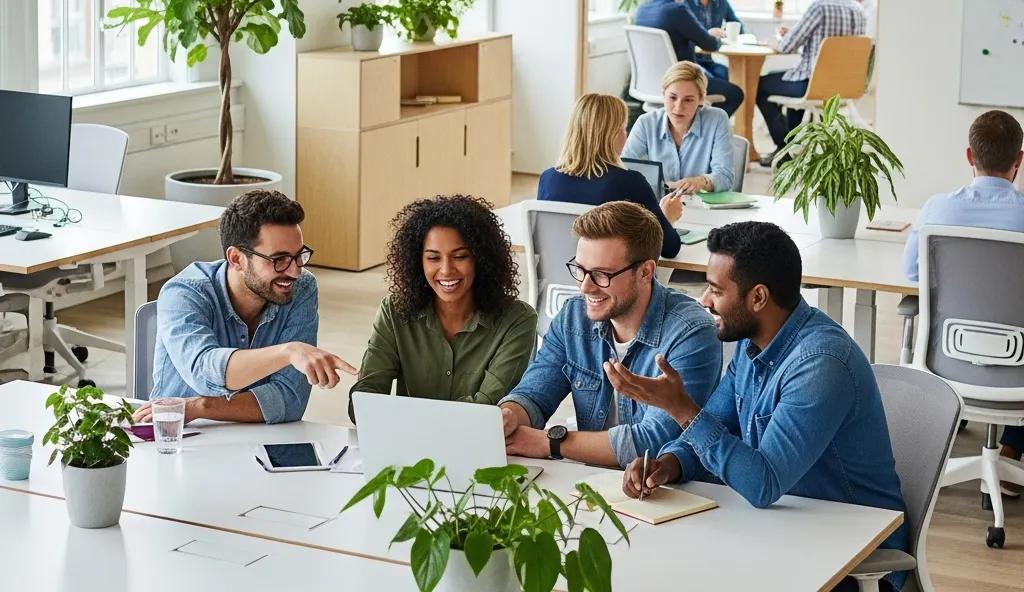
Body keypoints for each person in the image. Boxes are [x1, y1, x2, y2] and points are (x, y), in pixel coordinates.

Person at [609, 221, 908, 591]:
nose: (704, 300)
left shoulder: (821, 364)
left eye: (716, 290)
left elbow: (763, 483)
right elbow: (716, 424)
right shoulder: (753, 347)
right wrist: (667, 465)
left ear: (758, 297)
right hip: (782, 530)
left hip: (854, 559)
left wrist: (681, 408)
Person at [499, 200, 721, 469]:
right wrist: (510, 414)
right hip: (594, 484)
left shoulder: (691, 334)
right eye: (580, 270)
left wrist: (551, 443)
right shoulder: (573, 316)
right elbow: (534, 393)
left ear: (645, 272)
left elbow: (654, 442)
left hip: (671, 494)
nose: (585, 287)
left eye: (602, 274)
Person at [135, 189, 356, 425]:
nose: (294, 271)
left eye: (299, 255)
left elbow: (290, 401)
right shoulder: (184, 293)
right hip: (181, 440)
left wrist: (201, 406)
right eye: (279, 260)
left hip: (260, 440)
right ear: (237, 259)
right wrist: (288, 352)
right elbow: (204, 373)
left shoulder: (301, 288)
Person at [902, 110, 1024, 488]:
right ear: (1019, 160)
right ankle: (1012, 450)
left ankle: (951, 419)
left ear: (969, 156)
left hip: (950, 361)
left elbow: (911, 275)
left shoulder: (938, 210)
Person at [349, 195, 537, 420]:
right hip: (408, 448)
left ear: (481, 258)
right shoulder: (394, 311)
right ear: (417, 262)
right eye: (433, 258)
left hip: (474, 448)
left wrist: (400, 415)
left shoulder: (517, 320)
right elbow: (364, 402)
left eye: (460, 256)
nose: (446, 270)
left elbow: (488, 411)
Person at [538, 93, 683, 259]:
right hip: (610, 282)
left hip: (558, 280)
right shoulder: (630, 182)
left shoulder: (547, 179)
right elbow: (670, 248)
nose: (625, 135)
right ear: (611, 135)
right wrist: (667, 217)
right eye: (623, 128)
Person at [755, 0, 865, 164]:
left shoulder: (819, 7)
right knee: (788, 83)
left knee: (759, 85)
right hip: (844, 86)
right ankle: (790, 149)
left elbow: (786, 46)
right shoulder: (858, 10)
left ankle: (785, 149)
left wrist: (778, 39)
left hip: (813, 84)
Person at [634, 0, 744, 117]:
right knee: (735, 93)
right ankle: (702, 134)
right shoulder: (677, 10)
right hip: (682, 81)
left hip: (650, 84)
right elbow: (709, 43)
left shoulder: (642, 10)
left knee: (720, 80)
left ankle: (693, 130)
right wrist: (715, 37)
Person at [622, 62, 734, 194]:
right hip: (660, 208)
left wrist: (701, 181)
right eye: (672, 97)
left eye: (688, 100)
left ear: (701, 99)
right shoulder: (646, 123)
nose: (678, 107)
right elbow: (624, 169)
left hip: (702, 209)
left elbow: (725, 178)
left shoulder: (717, 119)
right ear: (663, 94)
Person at [683, 0, 744, 81]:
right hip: (690, 60)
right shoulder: (684, 1)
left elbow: (738, 26)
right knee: (713, 83)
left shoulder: (721, 1)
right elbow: (680, 36)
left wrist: (726, 33)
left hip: (711, 59)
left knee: (733, 78)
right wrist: (707, 34)